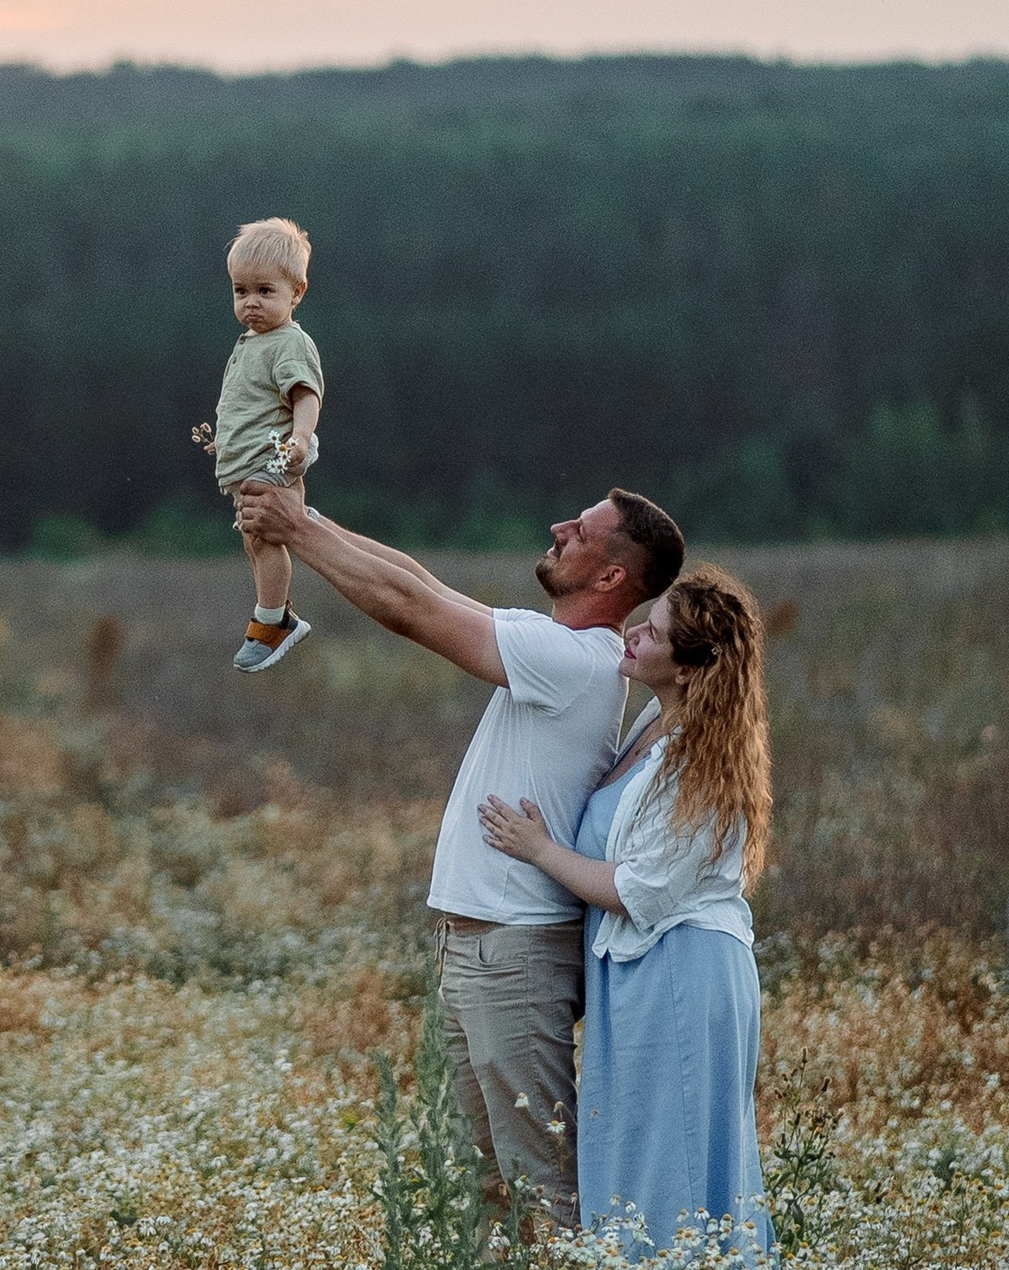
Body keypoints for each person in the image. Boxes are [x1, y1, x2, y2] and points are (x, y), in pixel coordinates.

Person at [233, 477, 684, 1230]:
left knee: (537, 1182)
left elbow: (410, 611)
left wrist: (298, 533)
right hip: (478, 946)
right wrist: (300, 517)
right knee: (476, 1183)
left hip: (513, 953)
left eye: (583, 529)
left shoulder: (573, 660)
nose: (560, 524)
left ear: (611, 579)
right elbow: (421, 582)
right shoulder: (560, 644)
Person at [479, 566, 775, 1265]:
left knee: (668, 1158)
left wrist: (539, 849)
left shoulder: (700, 761)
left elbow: (638, 890)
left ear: (691, 666)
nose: (635, 630)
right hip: (640, 974)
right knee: (640, 1149)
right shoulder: (653, 725)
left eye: (657, 630)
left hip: (680, 972)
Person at [191, 217, 324, 673]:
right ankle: (275, 612)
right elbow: (251, 405)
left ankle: (272, 622)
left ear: (297, 292)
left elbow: (305, 395)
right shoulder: (252, 342)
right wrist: (224, 443)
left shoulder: (289, 343)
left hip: (278, 457)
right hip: (250, 460)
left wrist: (301, 439)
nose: (250, 303)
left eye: (265, 292)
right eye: (240, 291)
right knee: (254, 539)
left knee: (265, 537)